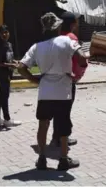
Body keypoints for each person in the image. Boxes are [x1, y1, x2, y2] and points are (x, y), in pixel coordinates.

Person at [17, 13, 89, 171]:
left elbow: (21, 67)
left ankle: (41, 158)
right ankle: (63, 159)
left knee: (43, 125)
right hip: (63, 90)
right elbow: (83, 59)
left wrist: (34, 80)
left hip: (45, 92)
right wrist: (75, 75)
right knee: (62, 127)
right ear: (58, 26)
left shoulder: (37, 46)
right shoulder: (68, 41)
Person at [51, 11, 87, 147]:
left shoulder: (58, 37)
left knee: (58, 110)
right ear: (73, 24)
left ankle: (56, 137)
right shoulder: (71, 37)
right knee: (65, 111)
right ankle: (62, 138)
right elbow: (78, 59)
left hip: (55, 78)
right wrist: (77, 76)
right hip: (67, 79)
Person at [0, 25, 21, 127]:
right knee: (4, 96)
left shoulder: (9, 44)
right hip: (2, 74)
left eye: (6, 32)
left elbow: (9, 58)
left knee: (0, 96)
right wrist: (10, 65)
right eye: (2, 32)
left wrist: (15, 62)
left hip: (8, 73)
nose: (5, 34)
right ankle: (7, 119)